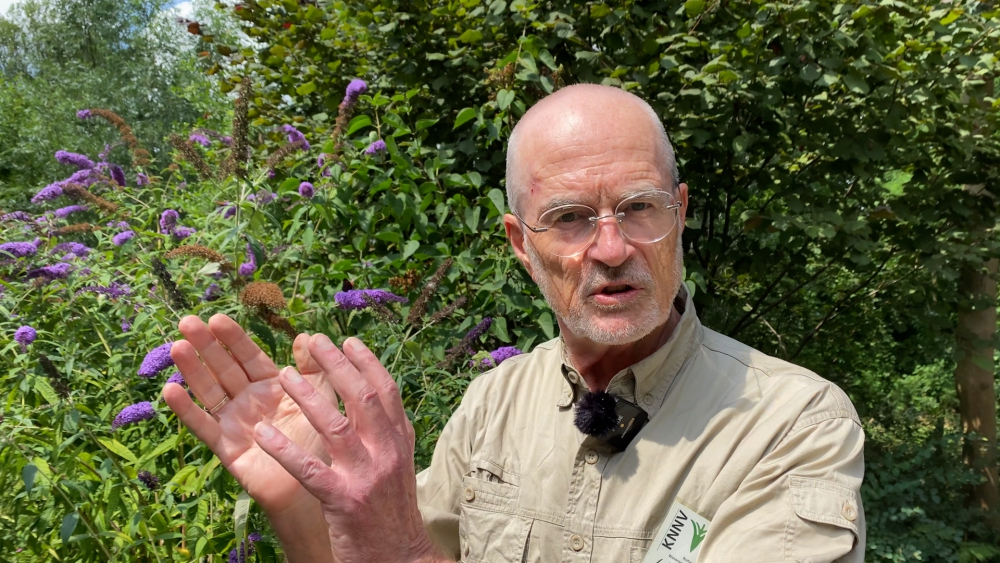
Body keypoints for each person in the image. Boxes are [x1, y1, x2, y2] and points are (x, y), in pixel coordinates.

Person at [164, 84, 865, 563]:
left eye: (640, 207)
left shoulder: (792, 421)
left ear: (679, 212)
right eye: (569, 218)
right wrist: (306, 505)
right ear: (521, 245)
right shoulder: (493, 403)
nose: (613, 247)